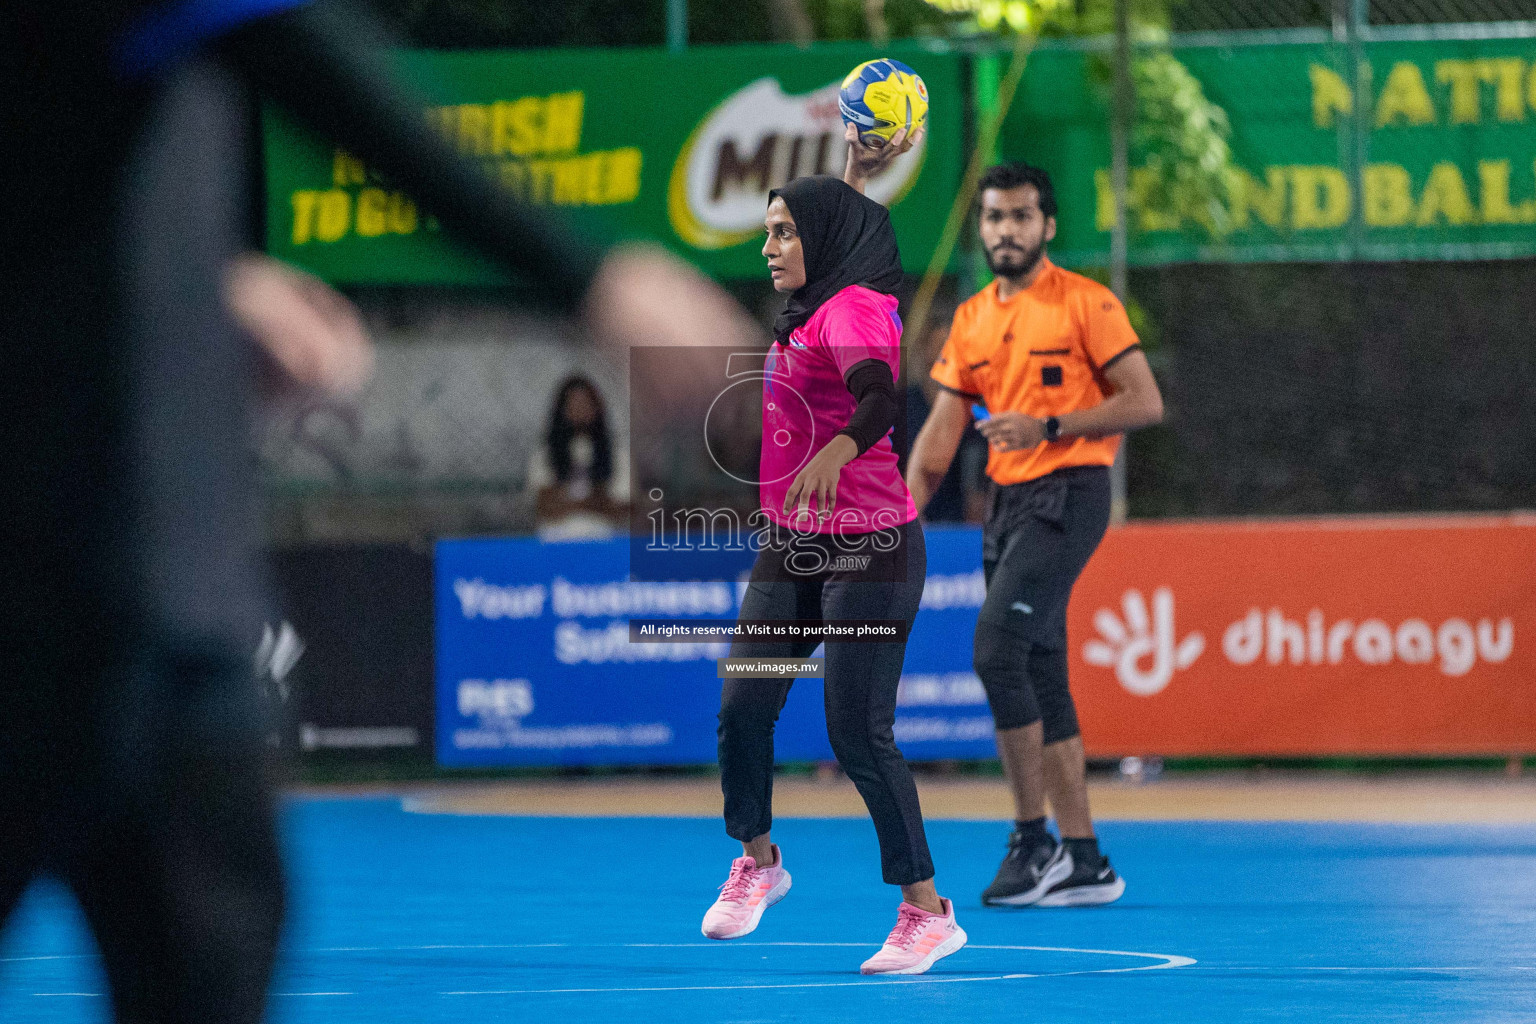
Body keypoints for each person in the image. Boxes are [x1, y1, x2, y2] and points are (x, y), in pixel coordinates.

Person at [0, 2, 763, 1021]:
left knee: (214, 939)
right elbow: (290, 52)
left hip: (156, 574)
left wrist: (198, 280)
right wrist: (595, 275)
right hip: (66, 569)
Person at [699, 175, 966, 976]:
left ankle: (928, 913)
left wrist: (841, 448)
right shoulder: (810, 307)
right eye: (768, 231)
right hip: (794, 543)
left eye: (783, 232)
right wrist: (852, 166)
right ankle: (760, 864)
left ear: (820, 240)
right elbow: (844, 218)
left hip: (873, 548)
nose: (768, 247)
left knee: (856, 730)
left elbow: (880, 399)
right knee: (743, 707)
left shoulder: (850, 310)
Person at [904, 163, 1165, 907]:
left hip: (1073, 491)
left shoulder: (1086, 302)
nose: (1005, 230)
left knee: (997, 649)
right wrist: (888, 519)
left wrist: (1053, 425)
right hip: (1008, 504)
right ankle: (1085, 860)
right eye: (993, 218)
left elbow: (1144, 401)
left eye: (1020, 217)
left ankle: (1033, 838)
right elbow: (940, 437)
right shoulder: (972, 318)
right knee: (1042, 667)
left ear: (1047, 227)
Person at [528, 376, 630, 539]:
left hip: (604, 540)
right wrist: (593, 501)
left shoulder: (617, 454)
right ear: (561, 409)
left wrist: (568, 501)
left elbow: (621, 508)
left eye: (585, 404)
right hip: (556, 539)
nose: (579, 410)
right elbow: (544, 506)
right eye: (573, 404)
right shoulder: (545, 455)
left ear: (597, 408)